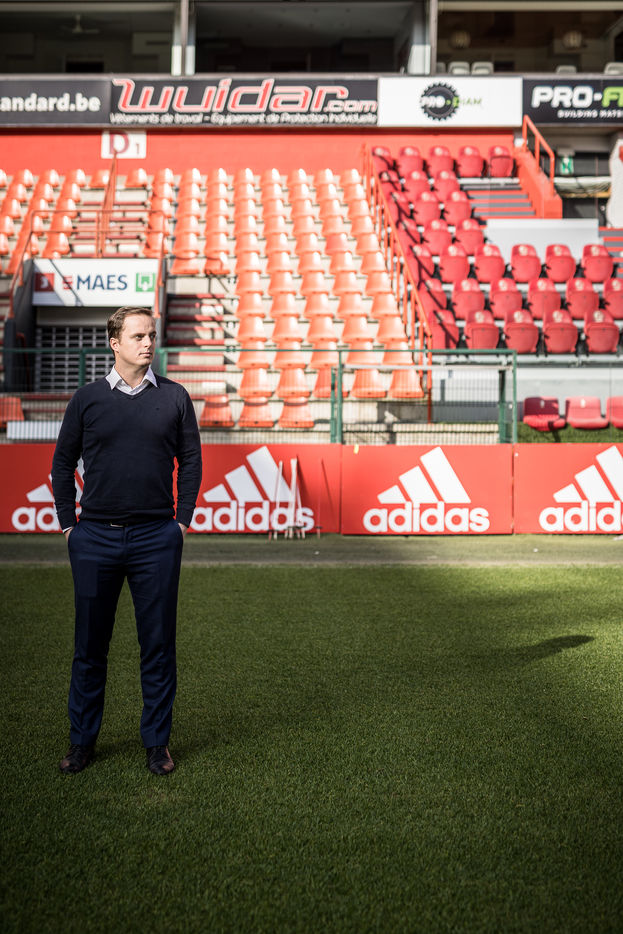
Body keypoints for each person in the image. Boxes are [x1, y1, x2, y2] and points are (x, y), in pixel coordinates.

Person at [52, 305, 202, 776]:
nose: (148, 343)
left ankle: (157, 744)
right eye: (138, 336)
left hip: (157, 539)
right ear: (114, 343)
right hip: (94, 537)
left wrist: (180, 523)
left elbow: (191, 462)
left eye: (151, 335)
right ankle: (82, 742)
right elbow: (62, 464)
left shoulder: (175, 397)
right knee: (89, 647)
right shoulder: (87, 399)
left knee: (157, 646)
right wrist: (69, 526)